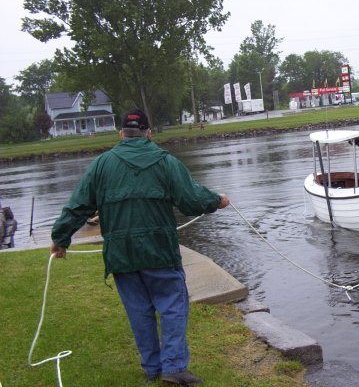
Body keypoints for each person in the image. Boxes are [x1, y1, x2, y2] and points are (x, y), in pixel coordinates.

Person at [51, 109, 229, 385]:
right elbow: (191, 199)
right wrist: (216, 200)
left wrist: (60, 239)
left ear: (121, 134)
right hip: (159, 251)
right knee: (172, 306)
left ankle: (152, 369)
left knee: (139, 311)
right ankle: (173, 367)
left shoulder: (101, 164)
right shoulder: (166, 162)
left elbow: (78, 205)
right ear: (149, 133)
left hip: (122, 255)